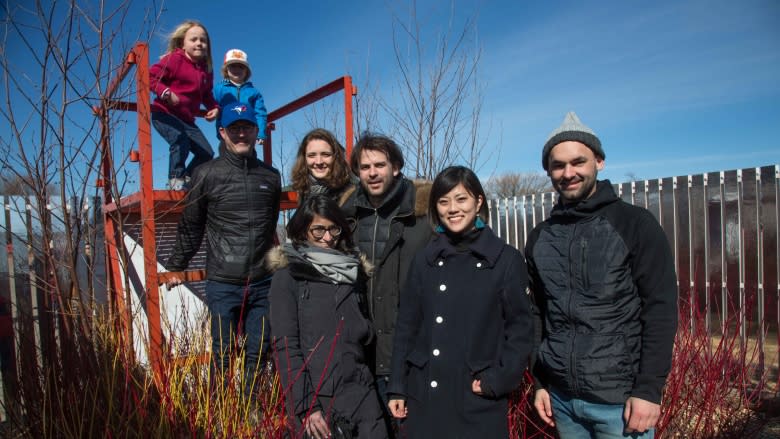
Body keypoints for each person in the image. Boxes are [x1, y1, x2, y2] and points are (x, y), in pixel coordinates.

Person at [526, 112, 678, 438]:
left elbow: (660, 309)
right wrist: (540, 382)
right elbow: (539, 312)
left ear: (599, 162)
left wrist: (649, 390)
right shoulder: (541, 237)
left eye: (578, 162)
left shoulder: (635, 225)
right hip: (563, 401)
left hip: (620, 403)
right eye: (558, 165)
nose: (568, 173)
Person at [386, 165, 533, 438]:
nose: (452, 208)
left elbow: (521, 332)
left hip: (476, 398)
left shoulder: (505, 260)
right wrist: (397, 385)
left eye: (461, 199)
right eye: (443, 201)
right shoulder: (425, 260)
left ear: (478, 202)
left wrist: (499, 380)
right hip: (424, 398)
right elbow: (406, 327)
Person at [165, 102, 281, 398]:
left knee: (260, 348)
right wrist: (176, 265)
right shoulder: (205, 174)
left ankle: (250, 408)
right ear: (222, 132)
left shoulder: (270, 176)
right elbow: (191, 225)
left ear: (256, 132)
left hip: (262, 281)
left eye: (247, 128)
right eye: (235, 128)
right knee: (223, 352)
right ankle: (222, 409)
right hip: (223, 283)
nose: (241, 134)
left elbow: (270, 225)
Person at [268, 195, 388, 439]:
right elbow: (285, 346)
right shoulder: (289, 275)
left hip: (361, 391)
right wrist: (305, 405)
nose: (328, 237)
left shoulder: (352, 272)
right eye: (318, 230)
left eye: (334, 228)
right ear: (303, 230)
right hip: (319, 401)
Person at [340, 133, 432, 430]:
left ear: (396, 167)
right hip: (360, 351)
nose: (373, 172)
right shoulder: (346, 217)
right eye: (365, 167)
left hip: (410, 351)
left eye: (380, 164)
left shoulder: (424, 211)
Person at [149, 20, 220, 191]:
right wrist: (166, 92)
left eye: (203, 40)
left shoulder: (206, 70)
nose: (199, 43)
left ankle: (187, 177)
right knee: (180, 141)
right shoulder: (174, 59)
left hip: (187, 120)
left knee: (207, 153)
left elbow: (206, 94)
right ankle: (175, 179)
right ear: (183, 43)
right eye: (193, 39)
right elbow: (149, 77)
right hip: (165, 113)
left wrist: (214, 107)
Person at [213, 48, 268, 146]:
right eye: (233, 66)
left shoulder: (254, 92)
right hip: (227, 132)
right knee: (227, 158)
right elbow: (210, 103)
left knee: (249, 157)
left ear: (247, 71)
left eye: (241, 67)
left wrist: (260, 133)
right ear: (226, 69)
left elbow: (260, 113)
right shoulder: (219, 89)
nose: (237, 69)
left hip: (247, 132)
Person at [290, 128, 353, 205]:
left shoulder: (351, 194)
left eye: (326, 154)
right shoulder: (304, 192)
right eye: (311, 155)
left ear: (336, 157)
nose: (319, 161)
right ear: (304, 159)